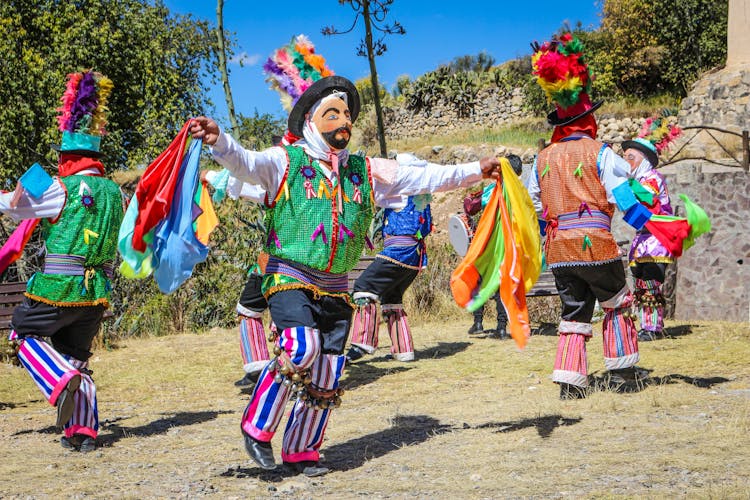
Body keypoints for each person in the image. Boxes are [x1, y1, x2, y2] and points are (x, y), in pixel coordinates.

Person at [190, 73, 500, 475]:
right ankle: (257, 426)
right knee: (300, 348)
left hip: (336, 288)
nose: (344, 122)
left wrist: (478, 168)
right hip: (290, 276)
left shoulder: (366, 171)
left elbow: (427, 177)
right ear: (309, 123)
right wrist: (220, 140)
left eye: (348, 115)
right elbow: (245, 163)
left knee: (328, 372)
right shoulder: (285, 162)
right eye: (332, 114)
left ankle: (301, 451)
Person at [1, 70, 125, 451]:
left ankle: (57, 381)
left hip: (58, 289)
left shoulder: (60, 188)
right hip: (97, 294)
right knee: (76, 358)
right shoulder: (115, 194)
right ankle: (84, 433)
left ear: (67, 158)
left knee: (22, 335)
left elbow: (13, 208)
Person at [528, 34, 647, 399]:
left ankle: (569, 382)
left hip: (560, 252)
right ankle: (624, 373)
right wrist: (652, 223)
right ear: (588, 118)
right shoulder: (602, 153)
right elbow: (622, 197)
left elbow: (534, 203)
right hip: (596, 246)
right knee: (617, 300)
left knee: (574, 310)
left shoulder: (541, 159)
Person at [346, 157, 432, 363]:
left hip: (398, 251)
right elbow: (426, 227)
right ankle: (403, 349)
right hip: (415, 255)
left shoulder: (399, 191)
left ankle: (362, 342)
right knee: (392, 297)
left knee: (363, 287)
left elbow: (374, 195)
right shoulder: (422, 196)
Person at [621, 116, 681, 342]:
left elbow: (647, 198)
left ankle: (653, 327)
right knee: (641, 282)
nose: (626, 162)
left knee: (651, 283)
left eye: (630, 157)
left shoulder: (652, 178)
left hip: (655, 239)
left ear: (643, 159)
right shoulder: (642, 179)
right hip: (644, 238)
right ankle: (647, 324)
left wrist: (624, 183)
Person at [461, 154, 524, 339]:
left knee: (477, 281)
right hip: (510, 245)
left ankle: (478, 322)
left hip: (488, 244)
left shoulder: (492, 190)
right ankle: (502, 327)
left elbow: (470, 207)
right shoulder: (520, 193)